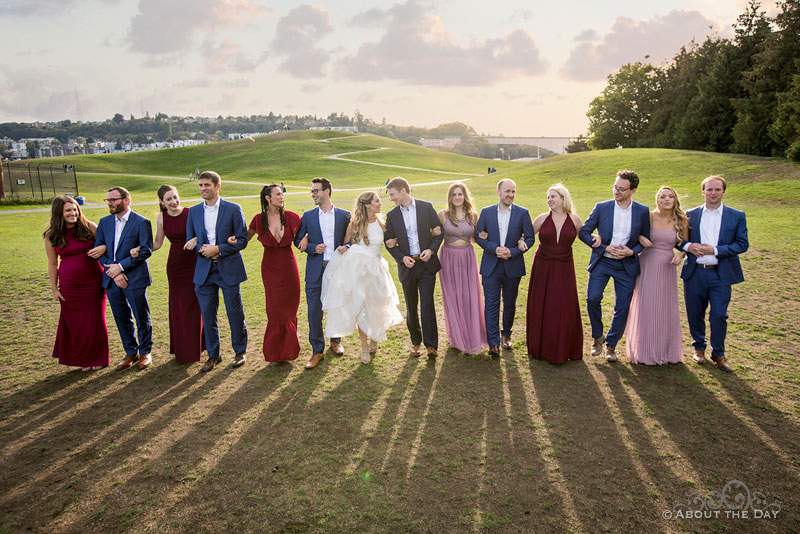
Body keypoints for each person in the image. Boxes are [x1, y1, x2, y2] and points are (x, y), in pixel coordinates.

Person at [322, 191, 404, 364]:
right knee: (362, 308)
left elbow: (389, 241)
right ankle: (364, 348)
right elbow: (347, 243)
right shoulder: (355, 224)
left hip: (378, 269)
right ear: (367, 204)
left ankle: (375, 336)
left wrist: (393, 242)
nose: (380, 204)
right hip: (360, 272)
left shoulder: (382, 223)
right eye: (377, 201)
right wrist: (345, 247)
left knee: (378, 306)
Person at [579, 169, 650, 362]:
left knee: (622, 306)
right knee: (592, 298)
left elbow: (645, 238)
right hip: (602, 261)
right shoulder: (602, 207)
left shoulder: (643, 211)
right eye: (615, 187)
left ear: (632, 191)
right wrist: (603, 247)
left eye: (621, 189)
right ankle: (597, 337)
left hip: (626, 265)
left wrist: (632, 251)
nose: (616, 191)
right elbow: (584, 232)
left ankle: (611, 344)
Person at [681, 176, 748, 372]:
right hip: (695, 273)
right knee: (695, 313)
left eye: (717, 190)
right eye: (709, 189)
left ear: (723, 192)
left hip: (721, 273)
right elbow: (678, 240)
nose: (713, 193)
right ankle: (698, 348)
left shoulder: (736, 215)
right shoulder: (690, 215)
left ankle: (718, 353)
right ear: (702, 192)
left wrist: (715, 250)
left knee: (719, 314)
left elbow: (742, 244)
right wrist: (688, 246)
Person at [185, 171, 248, 372]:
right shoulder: (193, 212)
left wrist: (219, 249)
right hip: (204, 272)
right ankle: (214, 355)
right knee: (208, 315)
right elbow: (190, 239)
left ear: (217, 186)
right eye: (201, 185)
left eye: (207, 185)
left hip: (228, 269)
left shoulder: (233, 209)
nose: (203, 189)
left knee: (234, 312)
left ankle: (239, 351)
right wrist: (201, 248)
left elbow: (242, 240)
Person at [135, 185, 204, 363]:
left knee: (196, 305)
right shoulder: (161, 218)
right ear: (161, 202)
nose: (173, 202)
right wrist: (140, 249)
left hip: (195, 263)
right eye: (168, 199)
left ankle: (199, 345)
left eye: (175, 197)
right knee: (179, 306)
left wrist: (196, 239)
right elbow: (157, 243)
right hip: (175, 267)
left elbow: (206, 234)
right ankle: (183, 348)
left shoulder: (192, 212)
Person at [91, 186, 154, 370]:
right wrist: (113, 270)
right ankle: (130, 352)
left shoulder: (142, 222)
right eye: (108, 200)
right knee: (121, 317)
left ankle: (145, 352)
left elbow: (145, 250)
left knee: (141, 316)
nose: (110, 203)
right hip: (112, 279)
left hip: (134, 277)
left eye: (114, 200)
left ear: (127, 200)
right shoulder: (104, 222)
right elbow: (99, 250)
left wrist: (121, 267)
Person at [44, 196, 109, 371]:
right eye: (68, 211)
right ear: (59, 213)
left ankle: (98, 358)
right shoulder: (52, 235)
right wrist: (54, 289)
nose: (73, 213)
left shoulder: (90, 227)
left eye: (75, 209)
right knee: (77, 324)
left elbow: (108, 247)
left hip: (94, 282)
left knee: (95, 321)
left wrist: (103, 248)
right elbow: (52, 263)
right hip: (69, 286)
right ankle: (84, 360)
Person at [625, 186, 688, 365]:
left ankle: (665, 351)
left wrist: (681, 255)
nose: (666, 200)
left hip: (667, 266)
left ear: (675, 199)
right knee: (647, 305)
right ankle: (644, 350)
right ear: (657, 200)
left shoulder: (681, 219)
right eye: (662, 197)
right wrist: (639, 238)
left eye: (669, 196)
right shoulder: (649, 216)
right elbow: (633, 233)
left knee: (664, 307)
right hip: (648, 263)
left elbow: (684, 244)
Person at [293, 178, 351, 369]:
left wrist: (348, 246)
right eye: (312, 191)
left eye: (316, 191)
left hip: (337, 269)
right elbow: (298, 241)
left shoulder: (344, 216)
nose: (313, 195)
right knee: (313, 311)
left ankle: (336, 340)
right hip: (315, 270)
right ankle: (317, 350)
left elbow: (353, 239)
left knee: (336, 307)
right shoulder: (308, 216)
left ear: (327, 191)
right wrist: (311, 247)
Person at [384, 177, 443, 358]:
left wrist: (431, 251)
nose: (391, 199)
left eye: (393, 194)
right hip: (407, 267)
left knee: (427, 305)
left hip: (426, 265)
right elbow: (389, 243)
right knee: (411, 306)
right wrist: (402, 258)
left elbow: (439, 233)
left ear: (403, 191)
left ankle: (431, 345)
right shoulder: (392, 216)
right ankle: (415, 342)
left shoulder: (426, 207)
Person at [474, 179, 535, 357]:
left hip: (512, 266)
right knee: (491, 304)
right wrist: (494, 248)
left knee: (509, 304)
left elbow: (530, 239)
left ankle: (506, 334)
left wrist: (513, 251)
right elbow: (478, 236)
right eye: (507, 191)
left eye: (513, 191)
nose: (511, 195)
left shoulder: (523, 213)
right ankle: (493, 343)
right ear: (498, 192)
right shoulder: (485, 212)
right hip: (491, 267)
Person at [525, 184, 584, 364]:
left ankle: (563, 347)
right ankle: (540, 347)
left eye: (553, 197)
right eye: (548, 197)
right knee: (542, 304)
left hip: (565, 267)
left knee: (563, 306)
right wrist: (520, 241)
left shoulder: (574, 219)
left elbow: (586, 236)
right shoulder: (542, 219)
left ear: (563, 199)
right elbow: (526, 236)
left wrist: (598, 238)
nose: (549, 200)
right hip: (543, 265)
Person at [244, 184, 301, 364]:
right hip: (270, 269)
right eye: (278, 194)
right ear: (268, 198)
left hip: (289, 268)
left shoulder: (293, 217)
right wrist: (231, 240)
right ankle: (276, 352)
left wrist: (306, 238)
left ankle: (289, 350)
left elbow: (306, 236)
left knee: (290, 309)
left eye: (282, 194)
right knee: (274, 309)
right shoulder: (258, 220)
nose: (281, 196)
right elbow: (243, 239)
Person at [437, 183, 487, 355]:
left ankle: (472, 335)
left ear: (465, 196)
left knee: (468, 295)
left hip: (467, 257)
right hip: (448, 258)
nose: (457, 197)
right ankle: (457, 338)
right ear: (450, 197)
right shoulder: (442, 215)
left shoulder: (473, 216)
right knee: (452, 296)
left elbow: (475, 238)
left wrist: (483, 236)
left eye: (460, 194)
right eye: (454, 194)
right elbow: (434, 236)